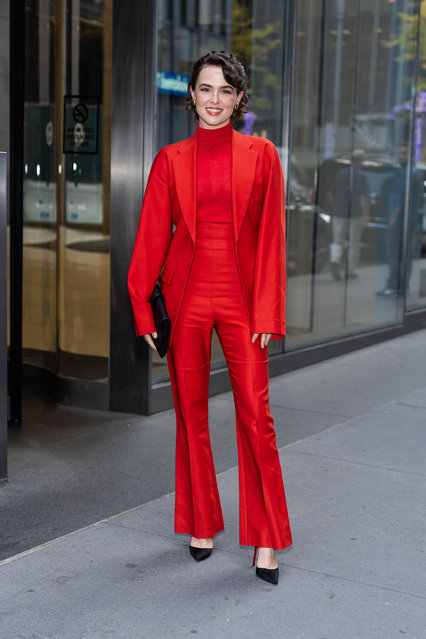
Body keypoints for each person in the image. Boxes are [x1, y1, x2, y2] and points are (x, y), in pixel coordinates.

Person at [128, 51, 292, 585]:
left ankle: (266, 538)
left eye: (225, 90)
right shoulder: (171, 159)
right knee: (190, 417)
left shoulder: (262, 154)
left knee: (256, 418)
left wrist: (269, 308)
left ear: (240, 98)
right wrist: (141, 307)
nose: (214, 100)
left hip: (245, 301)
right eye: (205, 89)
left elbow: (271, 238)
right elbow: (153, 234)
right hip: (187, 299)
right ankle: (201, 522)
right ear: (191, 95)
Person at [376, 143, 423, 297]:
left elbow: (400, 198)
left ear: (410, 156)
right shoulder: (411, 172)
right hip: (407, 221)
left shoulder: (408, 173)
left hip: (401, 221)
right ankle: (401, 286)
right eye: (399, 153)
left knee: (395, 253)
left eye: (403, 154)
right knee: (403, 255)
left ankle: (394, 285)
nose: (400, 156)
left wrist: (393, 218)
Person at [328, 150, 369, 281]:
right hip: (355, 212)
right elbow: (363, 198)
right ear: (361, 161)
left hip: (338, 211)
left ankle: (335, 259)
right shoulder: (362, 176)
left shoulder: (341, 174)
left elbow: (331, 194)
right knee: (353, 242)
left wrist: (334, 206)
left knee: (338, 240)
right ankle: (349, 270)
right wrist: (365, 214)